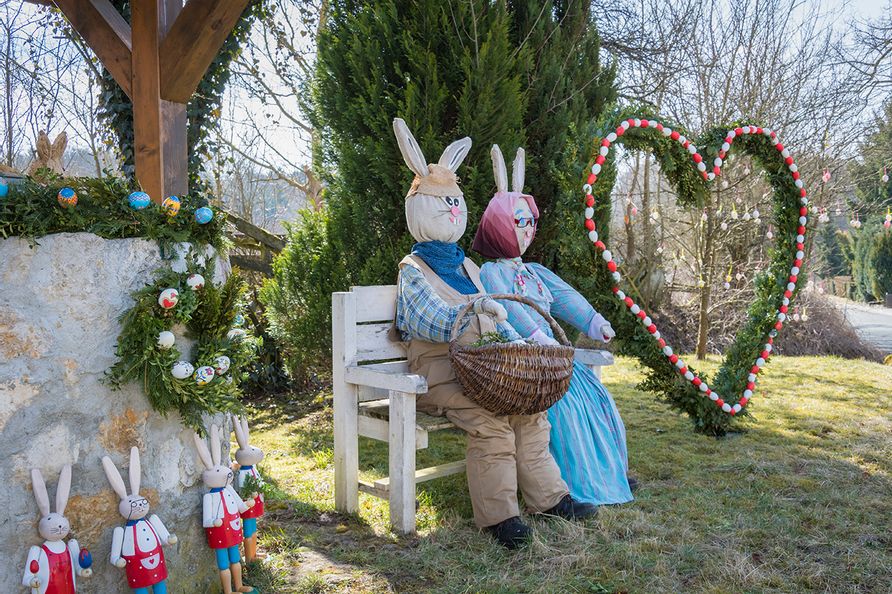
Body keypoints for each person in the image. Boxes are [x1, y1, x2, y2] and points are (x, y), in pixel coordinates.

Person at [391, 119, 597, 549]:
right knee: (491, 423)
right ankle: (500, 518)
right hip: (438, 375)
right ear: (419, 209)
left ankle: (550, 499)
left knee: (528, 410)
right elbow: (426, 319)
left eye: (454, 201)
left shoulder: (467, 266)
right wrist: (471, 311)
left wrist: (514, 339)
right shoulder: (414, 270)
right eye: (441, 202)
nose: (450, 209)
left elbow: (498, 313)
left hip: (483, 368)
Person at [472, 144, 634, 506]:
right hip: (530, 362)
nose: (527, 230)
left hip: (556, 357)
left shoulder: (535, 272)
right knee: (567, 411)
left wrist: (593, 321)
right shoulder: (492, 271)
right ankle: (573, 483)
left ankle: (608, 475)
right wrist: (539, 337)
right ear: (498, 223)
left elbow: (564, 297)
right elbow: (510, 309)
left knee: (598, 400)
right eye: (519, 222)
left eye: (531, 222)